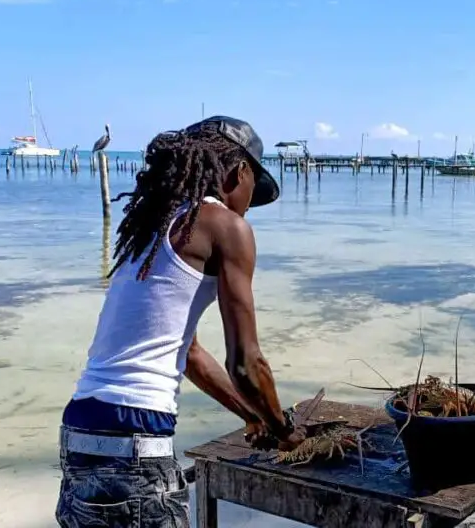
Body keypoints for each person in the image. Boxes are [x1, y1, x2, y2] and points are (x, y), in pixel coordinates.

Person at [55, 116, 305, 528]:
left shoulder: (153, 226)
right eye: (251, 189)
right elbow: (246, 364)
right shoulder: (226, 227)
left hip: (80, 431)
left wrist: (252, 416)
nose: (247, 205)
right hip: (137, 438)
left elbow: (187, 354)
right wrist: (285, 431)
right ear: (238, 171)